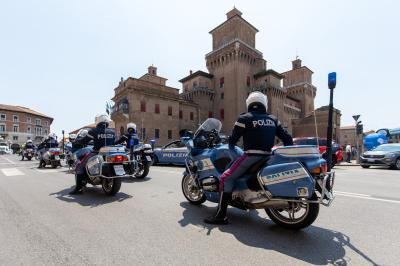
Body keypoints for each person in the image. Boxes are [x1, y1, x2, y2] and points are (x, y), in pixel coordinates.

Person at [204, 91, 293, 225]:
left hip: (251, 156)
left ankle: (220, 215)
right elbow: (287, 139)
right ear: (264, 103)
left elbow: (233, 139)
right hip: (268, 157)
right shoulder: (273, 119)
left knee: (225, 178)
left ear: (249, 103)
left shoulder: (244, 118)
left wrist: (231, 142)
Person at [69, 114, 115, 195]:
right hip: (109, 153)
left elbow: (84, 141)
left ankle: (78, 189)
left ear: (98, 121)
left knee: (79, 166)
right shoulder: (112, 132)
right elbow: (113, 143)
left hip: (96, 152)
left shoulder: (94, 131)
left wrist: (78, 141)